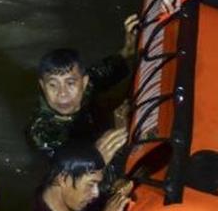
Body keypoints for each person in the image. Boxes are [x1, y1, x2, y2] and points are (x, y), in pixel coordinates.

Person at [25, 14, 139, 163]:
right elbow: (69, 173)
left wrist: (127, 51)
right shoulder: (43, 133)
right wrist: (116, 134)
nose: (62, 93)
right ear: (42, 86)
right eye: (52, 85)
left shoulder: (88, 84)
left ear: (84, 83)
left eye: (70, 83)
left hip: (90, 122)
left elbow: (105, 70)